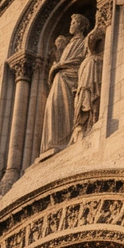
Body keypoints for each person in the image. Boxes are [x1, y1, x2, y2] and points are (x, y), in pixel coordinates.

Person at [39, 15, 90, 155]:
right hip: (59, 79)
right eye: (71, 22)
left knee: (64, 107)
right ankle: (52, 142)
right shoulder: (69, 44)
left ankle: (65, 139)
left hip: (70, 79)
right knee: (52, 106)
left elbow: (80, 59)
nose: (71, 25)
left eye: (74, 22)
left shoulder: (83, 41)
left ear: (80, 25)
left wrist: (59, 65)